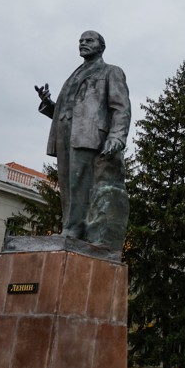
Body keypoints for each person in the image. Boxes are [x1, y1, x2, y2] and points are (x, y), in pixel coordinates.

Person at [35, 30, 130, 249]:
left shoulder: (111, 72)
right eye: (80, 41)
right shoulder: (74, 74)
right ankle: (70, 227)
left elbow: (121, 108)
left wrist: (117, 136)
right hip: (65, 135)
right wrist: (49, 104)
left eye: (88, 41)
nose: (82, 44)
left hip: (90, 137)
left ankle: (74, 231)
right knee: (67, 185)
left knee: (80, 185)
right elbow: (71, 110)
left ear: (101, 46)